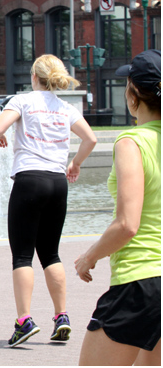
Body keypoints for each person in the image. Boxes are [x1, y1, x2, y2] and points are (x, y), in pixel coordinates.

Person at [0, 54, 97, 347]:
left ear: (34, 78)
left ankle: (24, 321)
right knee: (50, 253)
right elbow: (91, 139)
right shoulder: (65, 108)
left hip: (29, 180)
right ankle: (61, 317)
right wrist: (74, 163)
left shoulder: (23, 101)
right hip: (57, 183)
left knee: (23, 255)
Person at [75, 49, 161, 366]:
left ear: (133, 94)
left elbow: (127, 224)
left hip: (141, 283)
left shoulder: (132, 142)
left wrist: (89, 257)